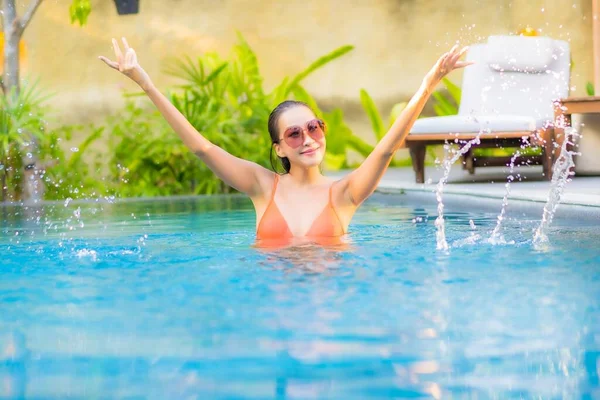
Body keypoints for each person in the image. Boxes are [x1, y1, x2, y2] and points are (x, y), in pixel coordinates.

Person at [100, 38, 472, 248]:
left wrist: (428, 85)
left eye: (314, 127)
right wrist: (145, 83)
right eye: (295, 133)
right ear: (279, 147)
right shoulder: (263, 186)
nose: (308, 139)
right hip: (272, 311)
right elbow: (202, 148)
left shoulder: (344, 193)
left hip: (331, 308)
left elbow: (387, 148)